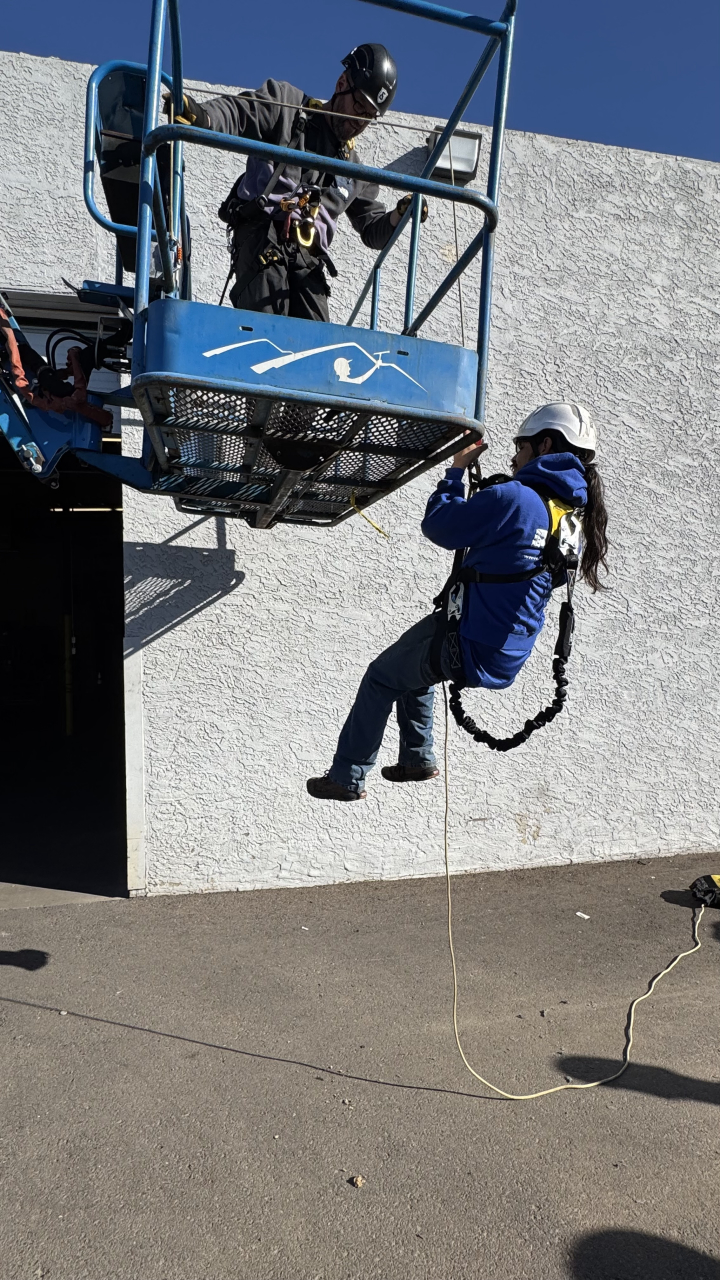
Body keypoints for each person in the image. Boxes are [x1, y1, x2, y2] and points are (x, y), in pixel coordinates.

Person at [306, 402, 609, 801]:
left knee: (380, 677)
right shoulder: (570, 518)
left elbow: (439, 526)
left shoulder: (515, 498)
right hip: (499, 646)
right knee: (409, 667)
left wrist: (456, 471)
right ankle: (416, 758)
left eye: (520, 448)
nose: (514, 459)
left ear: (545, 445)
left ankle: (347, 777)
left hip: (470, 642)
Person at [168, 44, 428, 319]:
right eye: (359, 107)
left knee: (316, 334)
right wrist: (204, 117)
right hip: (263, 235)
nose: (358, 122)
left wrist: (400, 215)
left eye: (368, 117)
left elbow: (372, 229)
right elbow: (241, 113)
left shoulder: (354, 171)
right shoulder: (288, 107)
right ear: (342, 84)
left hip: (309, 256)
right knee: (267, 314)